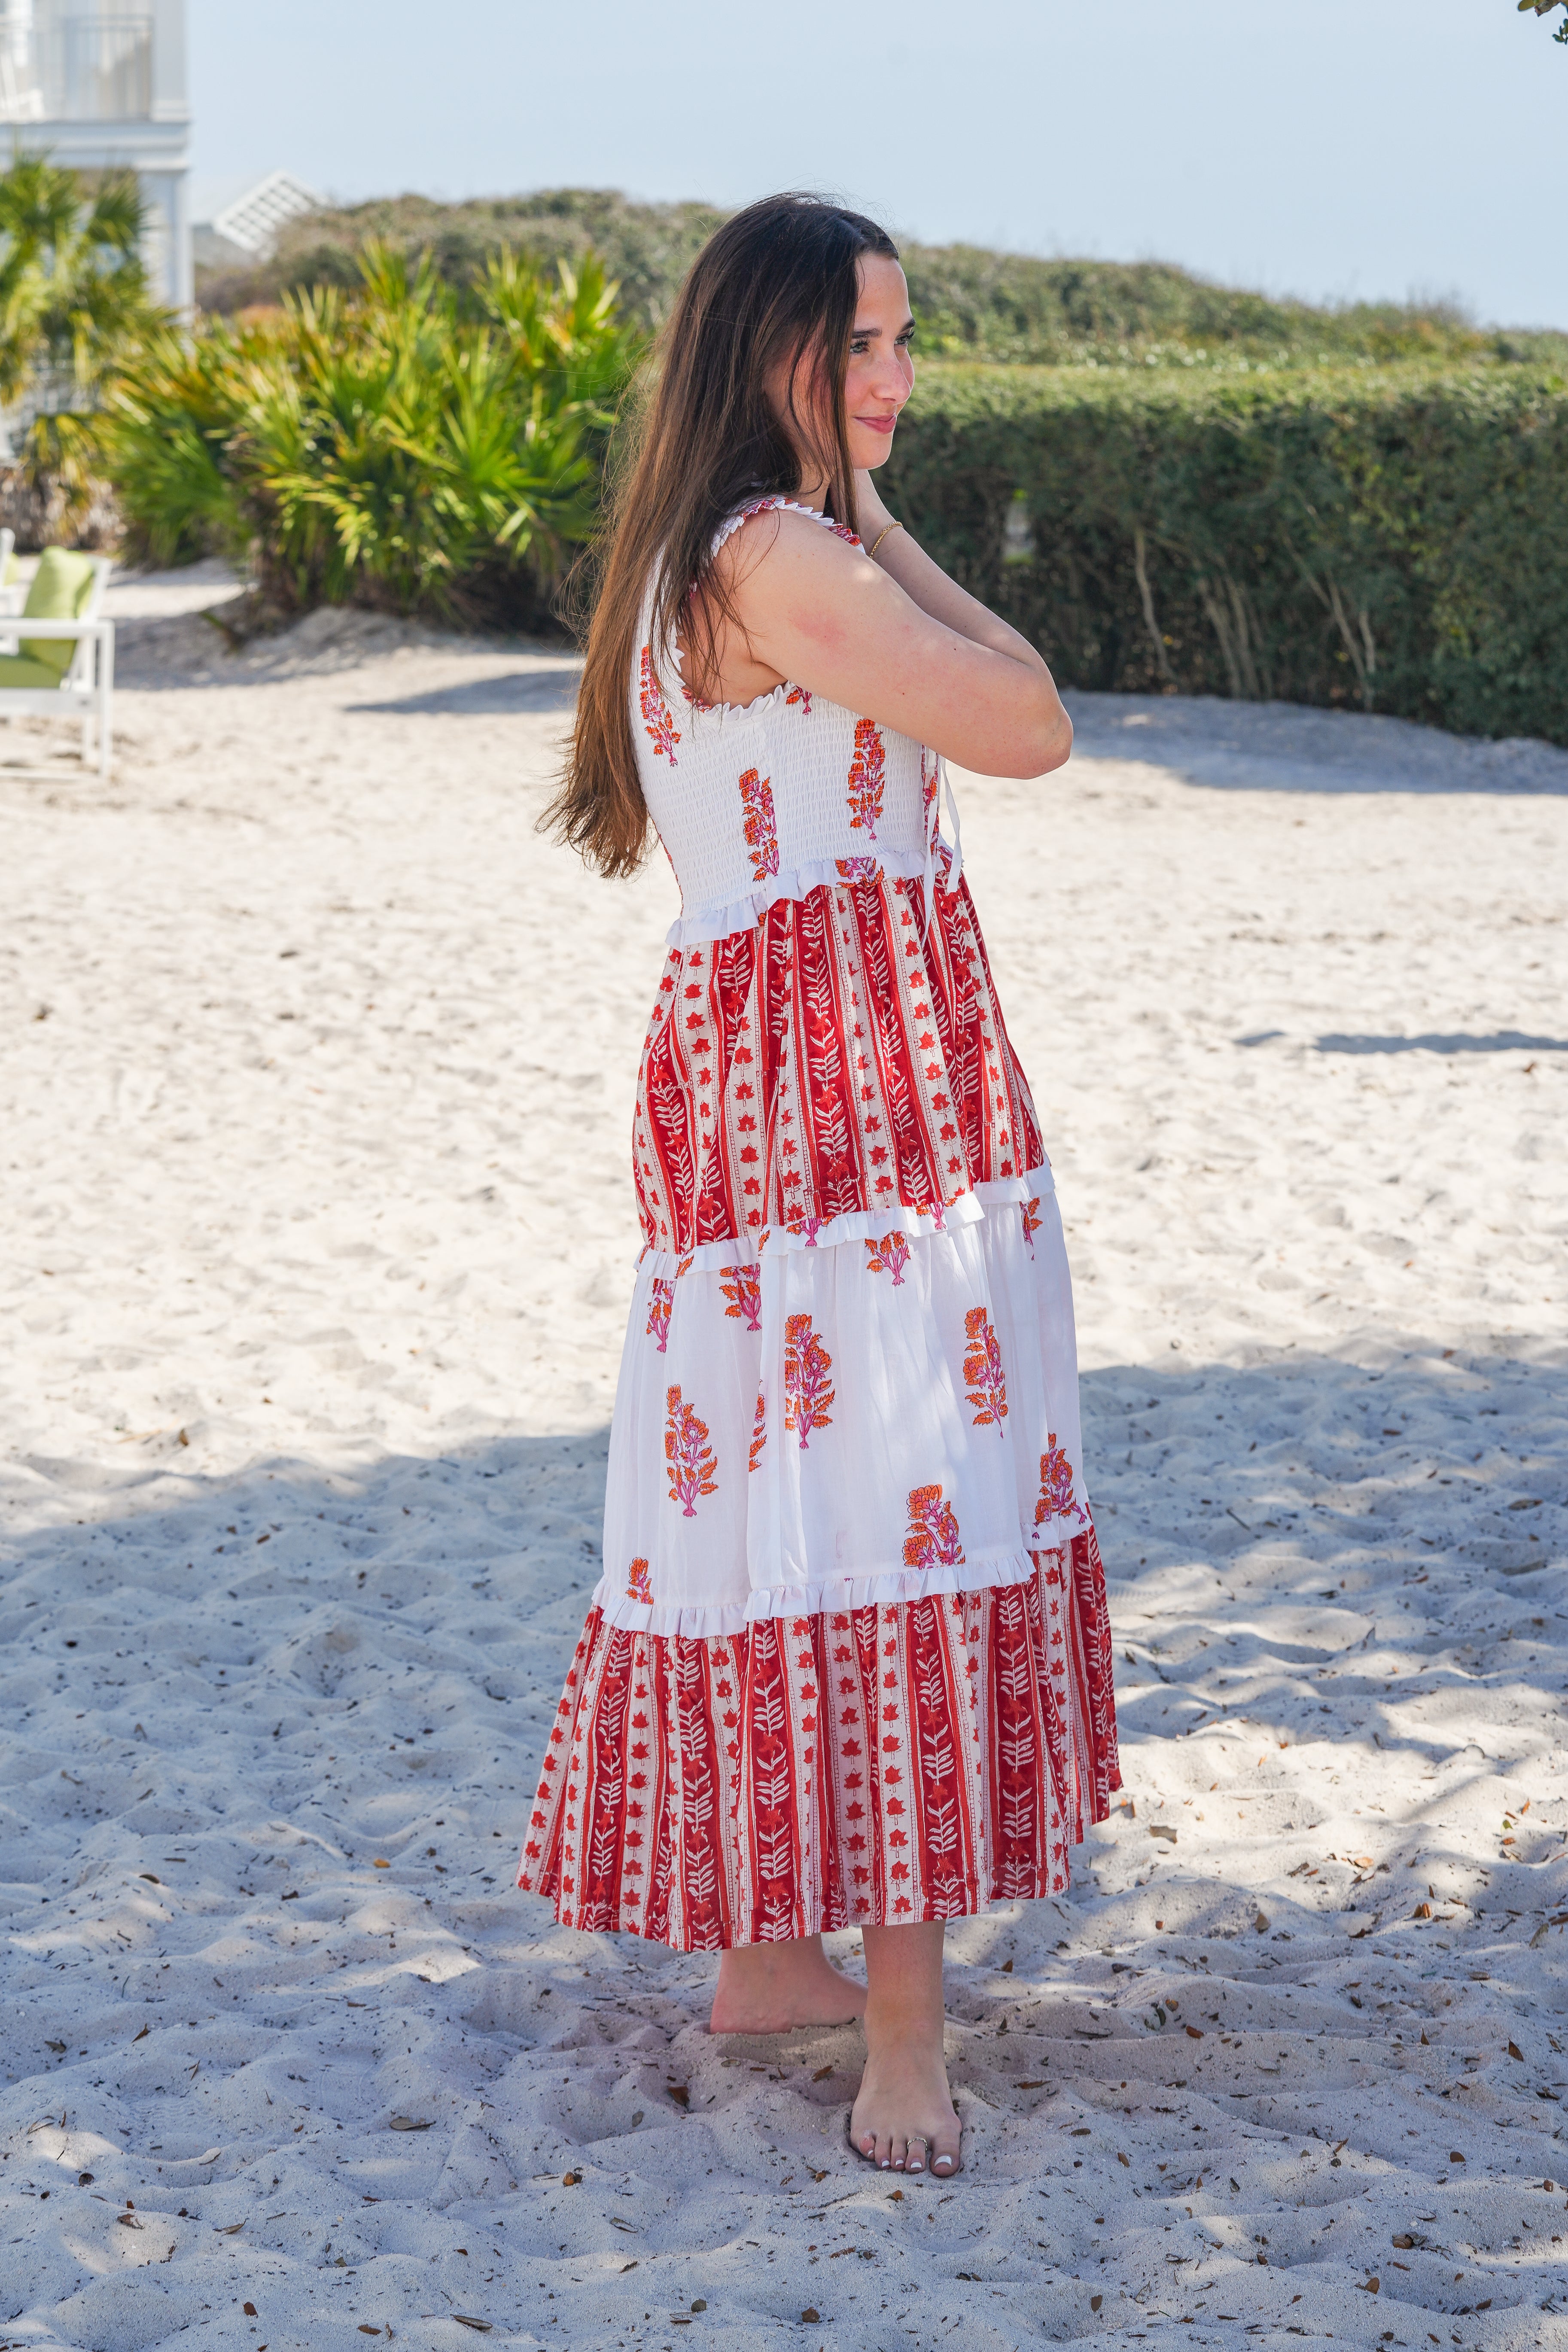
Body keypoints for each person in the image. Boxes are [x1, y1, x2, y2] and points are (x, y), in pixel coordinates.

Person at [521, 192, 1120, 2181]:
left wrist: (858, 498)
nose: (896, 377)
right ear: (765, 349)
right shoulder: (780, 556)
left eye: (900, 342)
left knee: (780, 1491)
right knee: (889, 1475)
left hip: (761, 1057)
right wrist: (867, 517)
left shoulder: (715, 547)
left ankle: (771, 1951)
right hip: (852, 1063)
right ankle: (902, 2039)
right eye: (856, 344)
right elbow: (1028, 718)